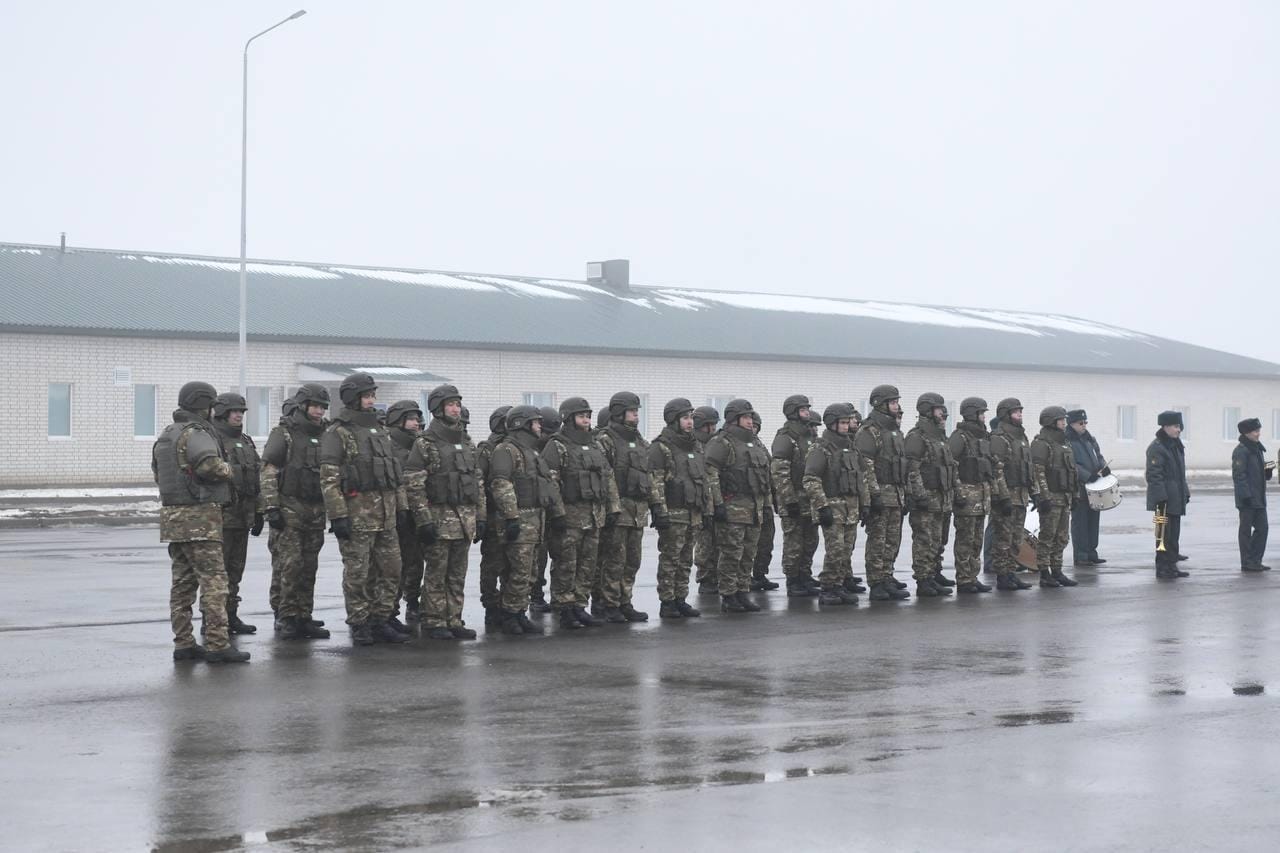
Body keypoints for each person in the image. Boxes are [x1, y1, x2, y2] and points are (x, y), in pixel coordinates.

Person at [152, 381, 249, 663]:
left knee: (182, 585)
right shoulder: (197, 433)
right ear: (203, 405)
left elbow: (159, 473)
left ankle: (183, 643)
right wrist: (232, 470)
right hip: (200, 519)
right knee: (214, 582)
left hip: (173, 518)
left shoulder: (168, 434)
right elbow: (210, 466)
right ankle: (218, 645)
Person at [319, 372, 411, 645]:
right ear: (353, 398)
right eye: (367, 396)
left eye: (373, 395)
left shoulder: (380, 431)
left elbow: (395, 474)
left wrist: (402, 508)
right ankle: (359, 622)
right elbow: (329, 478)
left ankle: (380, 619)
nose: (372, 400)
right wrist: (337, 515)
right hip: (357, 515)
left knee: (391, 569)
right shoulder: (338, 432)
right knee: (358, 573)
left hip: (387, 514)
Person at [405, 384, 484, 639]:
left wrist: (480, 517)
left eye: (458, 404)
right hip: (439, 520)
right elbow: (414, 484)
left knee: (457, 573)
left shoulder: (467, 442)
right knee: (437, 572)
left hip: (465, 521)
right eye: (450, 404)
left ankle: (454, 619)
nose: (455, 409)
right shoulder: (425, 443)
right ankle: (433, 620)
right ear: (438, 408)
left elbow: (477, 482)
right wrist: (423, 520)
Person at [260, 385, 331, 639]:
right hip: (290, 508)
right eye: (315, 406)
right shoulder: (284, 433)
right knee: (289, 565)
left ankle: (303, 615)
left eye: (323, 407)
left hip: (315, 510)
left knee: (309, 566)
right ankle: (285, 615)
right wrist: (271, 508)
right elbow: (269, 472)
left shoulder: (327, 434)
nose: (319, 411)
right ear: (303, 406)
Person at [488, 405, 566, 635]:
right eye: (535, 422)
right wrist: (511, 517)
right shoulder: (506, 450)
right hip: (519, 520)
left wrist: (557, 513)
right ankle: (510, 614)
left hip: (536, 520)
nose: (539, 426)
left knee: (530, 572)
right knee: (517, 571)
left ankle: (519, 611)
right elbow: (501, 484)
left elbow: (548, 485)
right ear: (522, 424)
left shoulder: (532, 453)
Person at [543, 397, 617, 628]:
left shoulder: (595, 444)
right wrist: (557, 513)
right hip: (570, 515)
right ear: (569, 418)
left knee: (588, 563)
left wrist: (613, 507)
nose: (586, 420)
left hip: (593, 514)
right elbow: (550, 481)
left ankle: (579, 605)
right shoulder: (557, 445)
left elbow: (608, 476)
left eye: (588, 416)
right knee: (566, 563)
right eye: (581, 416)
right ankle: (564, 606)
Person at [596, 391, 667, 622]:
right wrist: (612, 508)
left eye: (637, 411)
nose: (636, 415)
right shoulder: (605, 440)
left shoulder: (639, 441)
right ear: (618, 412)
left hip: (638, 510)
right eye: (632, 411)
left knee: (632, 560)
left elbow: (649, 476)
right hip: (618, 511)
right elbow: (605, 477)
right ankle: (609, 604)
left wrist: (656, 505)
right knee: (613, 559)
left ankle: (624, 601)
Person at [705, 398, 772, 613]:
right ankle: (728, 594)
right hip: (732, 506)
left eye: (751, 417)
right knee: (731, 553)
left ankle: (743, 591)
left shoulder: (754, 442)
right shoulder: (722, 442)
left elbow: (765, 474)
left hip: (754, 507)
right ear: (734, 419)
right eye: (745, 417)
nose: (750, 421)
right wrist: (717, 504)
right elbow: (711, 473)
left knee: (748, 553)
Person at [650, 398, 713, 618]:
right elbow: (656, 481)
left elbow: (703, 480)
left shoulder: (696, 445)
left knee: (686, 559)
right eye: (685, 418)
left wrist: (707, 509)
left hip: (693, 512)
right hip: (674, 512)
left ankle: (680, 598)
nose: (689, 422)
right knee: (670, 558)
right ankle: (667, 601)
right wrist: (659, 509)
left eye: (691, 418)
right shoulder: (661, 446)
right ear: (673, 420)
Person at [209, 392, 264, 634]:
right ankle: (214, 620)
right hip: (221, 518)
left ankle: (230, 616)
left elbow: (257, 478)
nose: (238, 415)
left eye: (241, 411)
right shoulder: (212, 440)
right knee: (217, 575)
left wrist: (259, 512)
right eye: (234, 411)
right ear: (221, 413)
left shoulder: (246, 441)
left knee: (235, 572)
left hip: (242, 517)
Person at [803, 403, 868, 605]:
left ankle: (839, 585)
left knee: (846, 550)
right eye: (842, 422)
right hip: (833, 506)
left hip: (851, 507)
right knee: (835, 550)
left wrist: (865, 504)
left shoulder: (851, 447)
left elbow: (862, 477)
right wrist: (822, 506)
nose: (846, 426)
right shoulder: (821, 448)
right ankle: (828, 587)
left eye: (848, 422)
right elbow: (810, 479)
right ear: (831, 423)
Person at [949, 397, 1011, 594]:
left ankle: (972, 576)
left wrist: (999, 493)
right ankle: (964, 579)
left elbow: (991, 467)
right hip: (966, 497)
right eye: (981, 413)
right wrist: (958, 492)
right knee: (965, 540)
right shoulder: (960, 437)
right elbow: (951, 467)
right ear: (972, 414)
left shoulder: (983, 438)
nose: (985, 416)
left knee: (976, 541)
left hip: (982, 497)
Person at [855, 385, 911, 601]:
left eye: (897, 402)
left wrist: (905, 493)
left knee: (892, 540)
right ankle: (876, 581)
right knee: (878, 540)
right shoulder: (870, 431)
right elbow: (865, 465)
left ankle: (887, 575)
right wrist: (873, 495)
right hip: (880, 493)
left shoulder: (893, 431)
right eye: (893, 402)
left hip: (896, 493)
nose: (897, 406)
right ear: (881, 404)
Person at [904, 392, 957, 597]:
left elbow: (950, 466)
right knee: (924, 540)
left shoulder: (939, 436)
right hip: (926, 498)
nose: (942, 413)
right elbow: (912, 469)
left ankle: (934, 573)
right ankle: (923, 579)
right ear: (927, 411)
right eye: (938, 409)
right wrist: (920, 495)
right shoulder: (917, 437)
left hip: (942, 497)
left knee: (938, 539)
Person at [771, 394, 822, 597]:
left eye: (807, 409)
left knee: (811, 540)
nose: (807, 413)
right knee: (794, 542)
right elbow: (780, 472)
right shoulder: (785, 438)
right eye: (803, 410)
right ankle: (793, 580)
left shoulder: (809, 437)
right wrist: (788, 499)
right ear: (793, 412)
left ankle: (805, 574)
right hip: (793, 499)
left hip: (810, 498)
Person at [385, 400, 426, 621]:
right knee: (394, 565)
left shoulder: (421, 443)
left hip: (419, 511)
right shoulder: (387, 444)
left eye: (416, 419)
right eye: (410, 419)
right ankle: (390, 610)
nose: (415, 423)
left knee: (416, 560)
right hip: (396, 511)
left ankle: (413, 601)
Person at [988, 398, 1034, 590]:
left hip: (1021, 495)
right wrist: (1004, 496)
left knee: (1015, 539)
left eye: (1020, 412)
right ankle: (1002, 575)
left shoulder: (1021, 438)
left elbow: (1028, 467)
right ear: (1006, 415)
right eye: (1016, 412)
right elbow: (997, 470)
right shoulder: (1000, 438)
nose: (1020, 415)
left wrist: (1034, 492)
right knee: (1003, 538)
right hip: (1006, 496)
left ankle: (1011, 572)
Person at [1030, 406, 1079, 588]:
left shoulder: (1064, 443)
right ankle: (1044, 573)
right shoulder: (1042, 443)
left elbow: (1072, 472)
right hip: (1051, 497)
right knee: (1047, 537)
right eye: (1061, 420)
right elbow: (1038, 472)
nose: (1064, 423)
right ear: (1051, 421)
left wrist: (1075, 494)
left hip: (1064, 497)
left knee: (1062, 537)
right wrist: (1044, 496)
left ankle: (1057, 570)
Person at [477, 406, 512, 629]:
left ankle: (509, 605)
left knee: (513, 564)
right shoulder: (487, 449)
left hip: (513, 515)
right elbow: (479, 485)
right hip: (493, 515)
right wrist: (480, 517)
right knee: (492, 564)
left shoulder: (515, 449)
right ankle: (491, 606)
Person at [1146, 411, 1191, 580]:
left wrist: (1184, 492)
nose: (1179, 430)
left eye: (1179, 426)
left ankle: (1171, 565)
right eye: (1175, 426)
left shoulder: (1175, 446)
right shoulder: (1157, 447)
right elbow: (1153, 475)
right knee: (1162, 536)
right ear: (1165, 427)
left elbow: (1179, 474)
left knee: (1173, 535)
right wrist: (1161, 498)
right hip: (1162, 501)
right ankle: (1163, 567)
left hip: (1175, 498)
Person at [530, 405, 563, 614]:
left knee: (560, 556)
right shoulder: (527, 448)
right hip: (537, 511)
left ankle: (559, 597)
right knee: (538, 558)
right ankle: (536, 595)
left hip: (556, 510)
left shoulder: (556, 447)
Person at [1066, 409, 1109, 566]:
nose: (1084, 426)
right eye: (1080, 423)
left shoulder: (1089, 438)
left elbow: (1098, 455)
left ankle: (1092, 552)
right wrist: (1086, 475)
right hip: (1079, 487)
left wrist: (1103, 467)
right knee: (1080, 522)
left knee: (1093, 520)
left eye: (1085, 423)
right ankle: (1081, 555)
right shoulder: (1067, 440)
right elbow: (1071, 463)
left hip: (1094, 486)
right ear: (1072, 424)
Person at [1232, 417, 1271, 572]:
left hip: (1259, 498)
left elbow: (1258, 473)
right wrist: (1245, 496)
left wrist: (1267, 471)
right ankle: (1247, 562)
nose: (1258, 434)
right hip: (1247, 499)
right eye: (1255, 431)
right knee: (1245, 531)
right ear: (1247, 433)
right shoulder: (1241, 451)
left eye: (1259, 430)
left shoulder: (1257, 448)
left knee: (1263, 528)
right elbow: (1239, 475)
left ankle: (1256, 559)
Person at [692, 406, 722, 594]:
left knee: (718, 540)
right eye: (708, 425)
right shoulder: (694, 444)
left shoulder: (716, 444)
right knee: (705, 541)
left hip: (717, 496)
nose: (711, 429)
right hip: (701, 499)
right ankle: (705, 578)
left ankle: (716, 575)